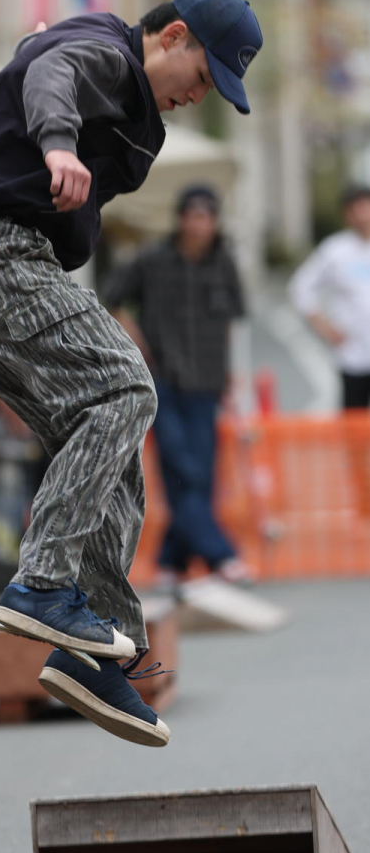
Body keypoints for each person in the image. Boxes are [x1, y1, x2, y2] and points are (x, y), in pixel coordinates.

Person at [0, 0, 262, 746]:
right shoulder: (106, 53)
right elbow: (55, 74)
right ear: (172, 36)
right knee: (126, 387)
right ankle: (41, 581)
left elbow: (41, 68)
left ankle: (99, 648)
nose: (194, 97)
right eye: (200, 77)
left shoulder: (122, 102)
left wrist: (37, 67)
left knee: (113, 451)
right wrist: (56, 142)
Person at [106, 183, 251, 591]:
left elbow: (230, 324)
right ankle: (222, 555)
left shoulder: (224, 263)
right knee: (179, 466)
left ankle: (172, 560)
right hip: (162, 381)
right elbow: (112, 299)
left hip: (206, 383)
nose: (199, 224)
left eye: (207, 216)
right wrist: (136, 343)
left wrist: (229, 374)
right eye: (193, 215)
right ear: (181, 218)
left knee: (199, 473)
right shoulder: (151, 259)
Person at [289, 185, 370, 410]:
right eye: (354, 209)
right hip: (353, 353)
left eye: (365, 207)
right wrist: (324, 327)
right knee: (354, 417)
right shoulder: (335, 250)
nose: (361, 215)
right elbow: (300, 287)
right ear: (346, 215)